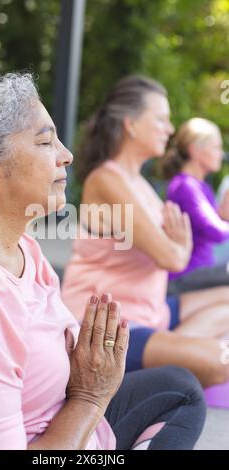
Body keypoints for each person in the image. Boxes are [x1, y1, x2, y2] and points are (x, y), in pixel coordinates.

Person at [0, 73, 206, 450]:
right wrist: (91, 396)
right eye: (45, 141)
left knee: (179, 389)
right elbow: (169, 256)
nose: (66, 154)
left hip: (77, 420)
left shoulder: (24, 248)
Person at [61, 75, 229, 390]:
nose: (169, 128)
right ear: (131, 125)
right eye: (162, 119)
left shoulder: (140, 184)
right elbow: (172, 258)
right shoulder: (106, 180)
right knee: (220, 361)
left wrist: (179, 245)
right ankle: (156, 362)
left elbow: (176, 250)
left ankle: (167, 353)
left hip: (151, 312)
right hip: (108, 328)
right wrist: (179, 245)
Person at [162, 118, 229, 294]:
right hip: (185, 277)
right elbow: (216, 232)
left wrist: (223, 216)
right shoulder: (186, 186)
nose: (221, 154)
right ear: (195, 150)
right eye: (216, 147)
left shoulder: (201, 186)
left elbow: (212, 227)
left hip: (200, 273)